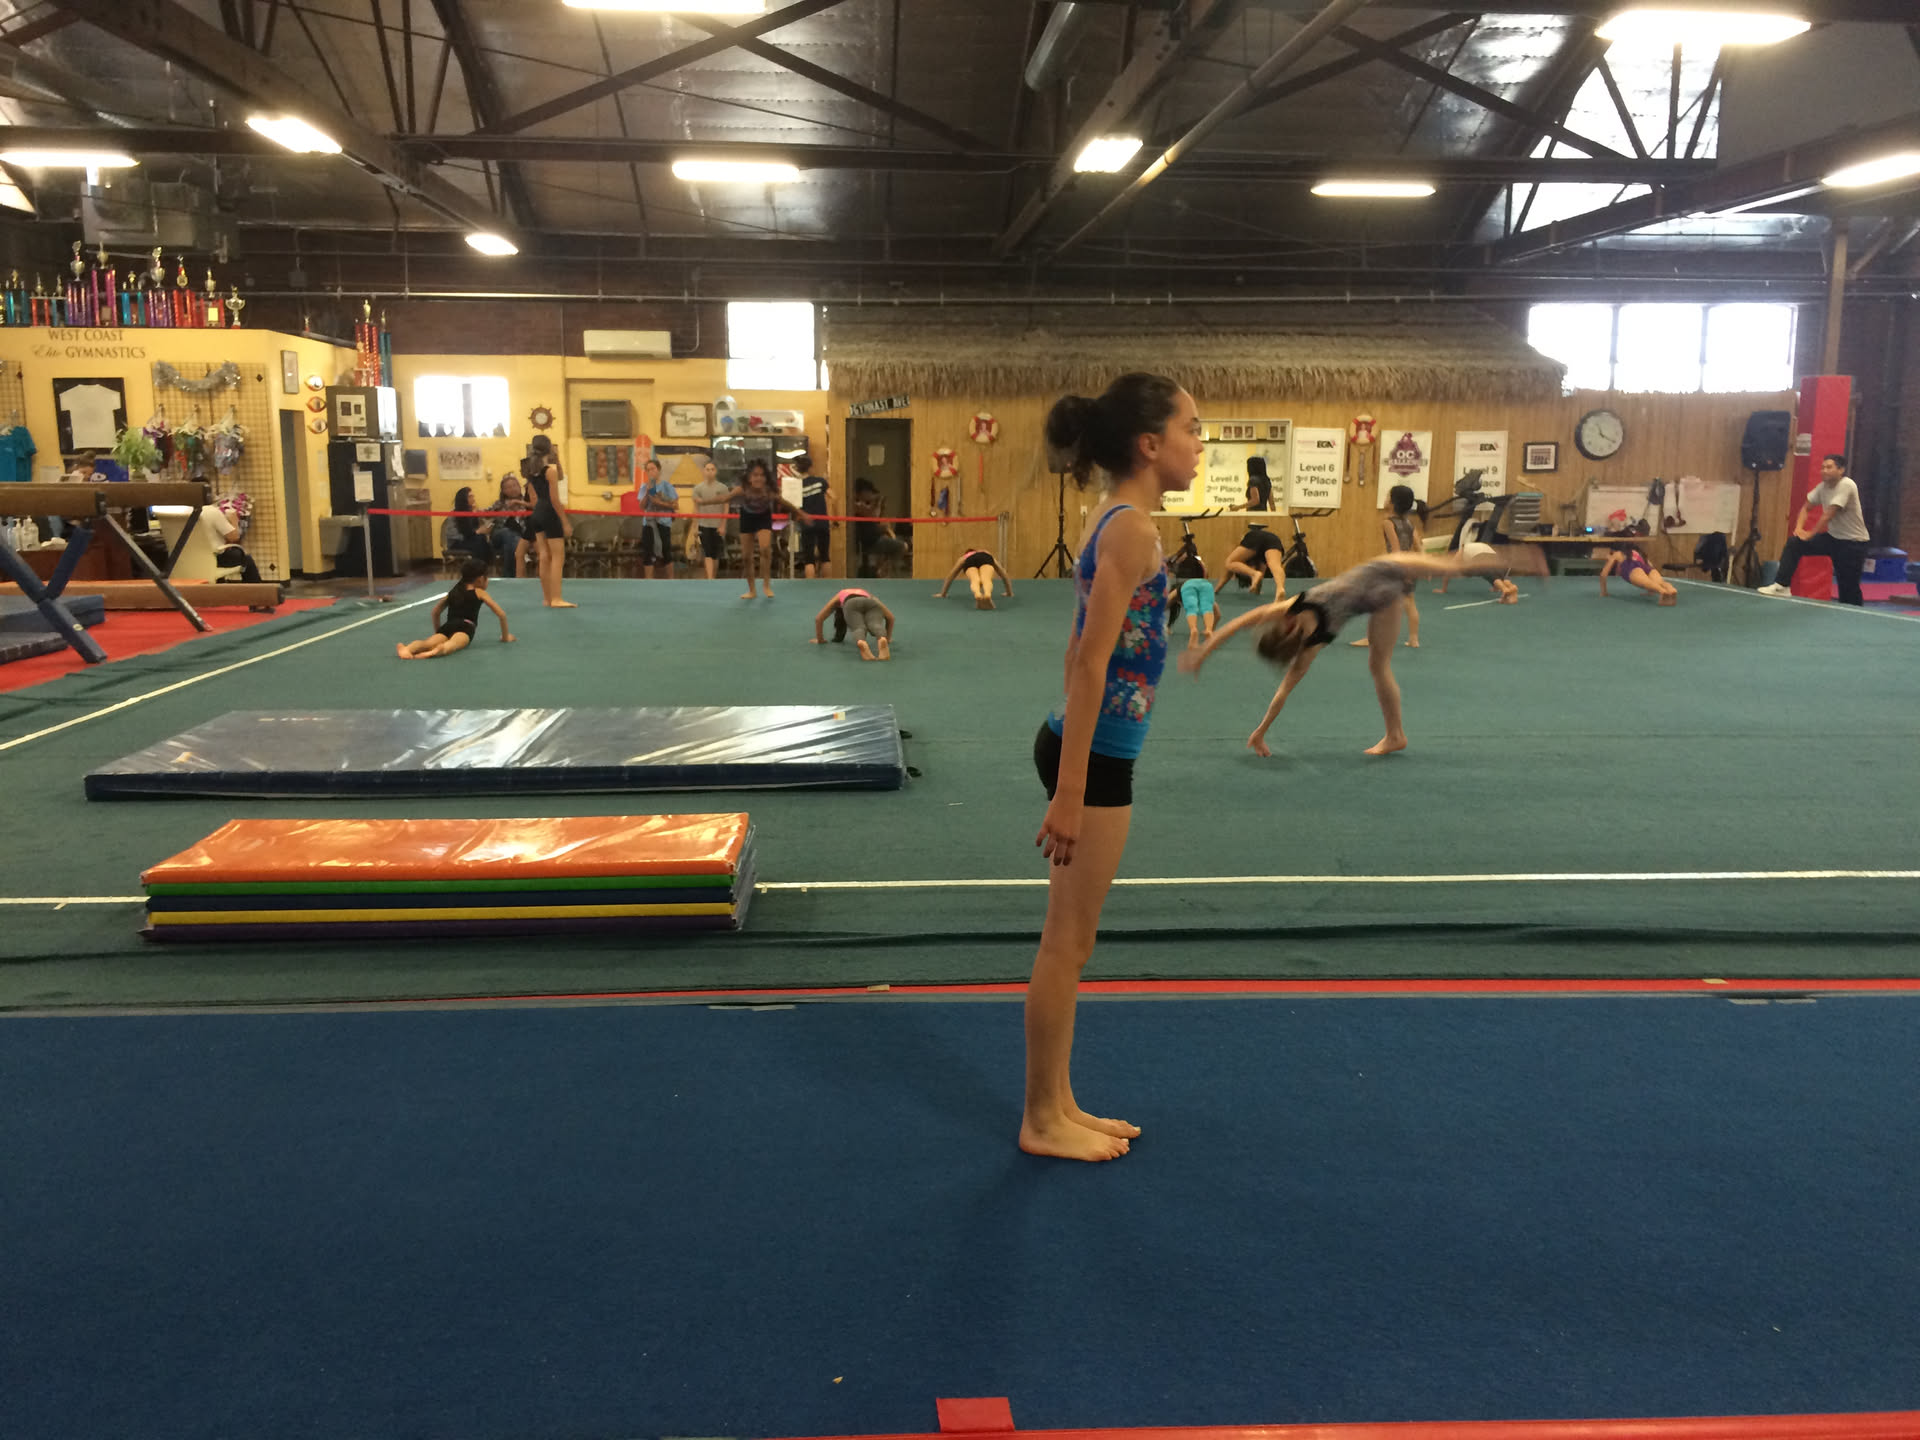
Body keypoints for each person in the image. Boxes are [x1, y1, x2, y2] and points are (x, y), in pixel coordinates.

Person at [1025, 371, 1202, 1164]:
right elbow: (1091, 662)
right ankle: (1040, 1118)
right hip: (1093, 760)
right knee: (1066, 943)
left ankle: (1059, 1102)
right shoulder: (1130, 529)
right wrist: (1070, 790)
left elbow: (1077, 647)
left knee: (1075, 939)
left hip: (1089, 748)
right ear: (1150, 444)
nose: (1201, 445)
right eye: (1192, 429)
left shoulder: (1117, 520)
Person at [1180, 546, 1544, 757]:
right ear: (1284, 627)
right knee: (1454, 565)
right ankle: (1524, 561)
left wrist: (1260, 732)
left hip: (1381, 598)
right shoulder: (1290, 608)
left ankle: (1396, 735)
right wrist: (1203, 654)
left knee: (1379, 666)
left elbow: (1283, 693)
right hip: (1384, 570)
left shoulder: (1312, 645)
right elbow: (1236, 625)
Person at [1757, 453, 1869, 604]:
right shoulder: (1822, 487)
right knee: (1795, 543)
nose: (1824, 471)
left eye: (1829, 467)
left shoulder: (1847, 485)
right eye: (1822, 467)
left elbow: (1828, 514)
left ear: (1841, 470)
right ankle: (1782, 586)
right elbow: (1806, 508)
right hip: (1834, 538)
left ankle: (1855, 614)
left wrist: (1810, 534)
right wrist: (1799, 529)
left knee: (1848, 589)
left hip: (1853, 544)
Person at [1352, 484, 1425, 648]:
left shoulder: (1388, 522)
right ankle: (1414, 639)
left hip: (1396, 567)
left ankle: (1370, 638)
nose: (1385, 499)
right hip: (1410, 567)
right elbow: (1418, 546)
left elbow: (1395, 548)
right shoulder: (1409, 523)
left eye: (1387, 496)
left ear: (1392, 503)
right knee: (1410, 603)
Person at [396, 559, 513, 659]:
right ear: (480, 579)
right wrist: (505, 637)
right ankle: (437, 651)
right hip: (466, 627)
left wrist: (439, 632)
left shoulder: (454, 592)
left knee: (428, 642)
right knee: (455, 643)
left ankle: (408, 648)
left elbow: (435, 612)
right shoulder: (479, 592)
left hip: (448, 625)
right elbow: (501, 614)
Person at [727, 457, 805, 599]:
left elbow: (782, 501)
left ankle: (766, 585)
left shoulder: (767, 490)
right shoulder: (743, 489)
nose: (758, 478)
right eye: (755, 475)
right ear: (750, 477)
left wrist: (798, 512)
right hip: (747, 518)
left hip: (763, 517)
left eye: (761, 475)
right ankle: (752, 590)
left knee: (765, 549)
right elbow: (727, 498)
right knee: (746, 557)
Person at [522, 434, 574, 608]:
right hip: (549, 512)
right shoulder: (548, 471)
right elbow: (554, 500)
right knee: (558, 556)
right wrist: (565, 522)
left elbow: (560, 476)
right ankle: (557, 598)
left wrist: (557, 460)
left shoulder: (532, 471)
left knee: (544, 555)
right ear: (549, 448)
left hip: (537, 513)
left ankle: (547, 598)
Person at [809, 585, 894, 660]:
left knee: (858, 627)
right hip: (871, 603)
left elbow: (818, 619)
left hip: (851, 603)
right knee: (875, 624)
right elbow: (890, 618)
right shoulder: (867, 594)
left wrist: (820, 639)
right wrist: (888, 638)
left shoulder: (841, 594)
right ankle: (882, 639)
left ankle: (862, 642)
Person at [1219, 518, 1286, 596]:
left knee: (1229, 562)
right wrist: (1257, 590)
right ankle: (1280, 588)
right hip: (1273, 538)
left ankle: (1254, 574)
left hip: (1254, 537)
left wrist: (1217, 589)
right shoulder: (1259, 563)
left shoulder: (1243, 562)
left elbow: (1229, 569)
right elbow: (1260, 576)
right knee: (1275, 566)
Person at [636, 457, 678, 579]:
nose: (650, 472)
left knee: (666, 551)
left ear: (658, 469)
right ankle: (649, 581)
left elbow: (675, 505)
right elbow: (641, 506)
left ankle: (671, 580)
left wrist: (659, 502)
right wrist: (647, 493)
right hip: (648, 523)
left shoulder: (667, 486)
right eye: (648, 470)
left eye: (653, 469)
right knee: (648, 552)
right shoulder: (644, 486)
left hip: (663, 522)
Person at [1167, 551, 1218, 649]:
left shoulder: (1180, 590)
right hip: (1206, 585)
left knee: (1191, 608)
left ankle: (1193, 629)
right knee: (1207, 607)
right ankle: (1208, 630)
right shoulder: (1204, 590)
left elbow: (1163, 604)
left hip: (1188, 586)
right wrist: (1211, 628)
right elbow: (1218, 615)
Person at [204, 497, 262, 583]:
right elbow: (234, 537)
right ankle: (256, 590)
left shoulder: (184, 511)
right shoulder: (212, 512)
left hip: (191, 560)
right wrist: (234, 519)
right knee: (247, 559)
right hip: (215, 559)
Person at [794, 454, 833, 580]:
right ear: (810, 467)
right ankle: (828, 584)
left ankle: (809, 585)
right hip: (822, 521)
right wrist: (834, 518)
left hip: (807, 522)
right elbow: (834, 497)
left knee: (809, 558)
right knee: (825, 556)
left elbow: (794, 506)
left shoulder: (797, 485)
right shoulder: (820, 482)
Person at [692, 457, 732, 581]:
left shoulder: (723, 488)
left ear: (716, 471)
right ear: (703, 471)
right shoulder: (698, 488)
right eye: (707, 469)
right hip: (704, 524)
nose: (710, 472)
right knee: (707, 552)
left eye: (712, 469)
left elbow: (726, 507)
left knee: (715, 554)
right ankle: (710, 579)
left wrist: (723, 525)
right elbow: (696, 508)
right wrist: (695, 526)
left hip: (717, 524)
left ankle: (713, 577)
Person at [1596, 544, 1677, 605]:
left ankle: (1662, 591)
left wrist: (1604, 592)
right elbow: (1650, 567)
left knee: (1646, 582)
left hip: (1632, 568)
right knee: (1660, 582)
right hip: (1646, 567)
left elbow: (1603, 574)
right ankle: (1671, 589)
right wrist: (1650, 591)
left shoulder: (1617, 554)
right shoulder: (1639, 553)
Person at [484, 474, 531, 576]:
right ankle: (523, 559)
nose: (513, 489)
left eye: (515, 485)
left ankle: (509, 576)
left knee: (511, 543)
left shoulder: (527, 503)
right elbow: (485, 514)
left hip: (520, 536)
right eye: (509, 487)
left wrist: (520, 504)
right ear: (504, 491)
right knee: (508, 533)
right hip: (499, 535)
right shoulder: (499, 504)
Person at [934, 547, 1013, 607]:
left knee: (975, 580)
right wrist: (1009, 592)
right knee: (986, 579)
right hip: (985, 558)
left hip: (970, 561)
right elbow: (1003, 574)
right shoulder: (985, 552)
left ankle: (977, 594)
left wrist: (943, 593)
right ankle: (987, 594)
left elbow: (951, 575)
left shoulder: (964, 557)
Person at [440, 486, 493, 570]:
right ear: (463, 499)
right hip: (457, 542)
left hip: (470, 540)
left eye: (473, 496)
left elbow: (474, 530)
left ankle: (483, 569)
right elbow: (452, 535)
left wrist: (475, 517)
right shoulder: (454, 514)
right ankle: (477, 570)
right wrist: (477, 532)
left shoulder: (472, 512)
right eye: (470, 496)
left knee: (482, 540)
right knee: (479, 543)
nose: (473, 498)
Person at [851, 477, 882, 576]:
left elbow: (875, 516)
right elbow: (872, 514)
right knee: (900, 546)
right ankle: (878, 571)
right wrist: (876, 503)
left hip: (872, 536)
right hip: (865, 538)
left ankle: (880, 570)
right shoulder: (856, 504)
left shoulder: (864, 504)